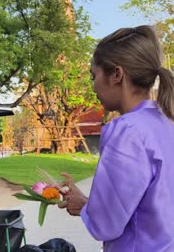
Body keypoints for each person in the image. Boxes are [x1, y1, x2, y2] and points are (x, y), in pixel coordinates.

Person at [58, 25, 174, 251]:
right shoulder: (164, 124)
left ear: (117, 75)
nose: (93, 86)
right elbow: (146, 206)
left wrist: (84, 208)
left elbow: (106, 225)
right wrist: (86, 204)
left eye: (94, 75)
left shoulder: (127, 131)